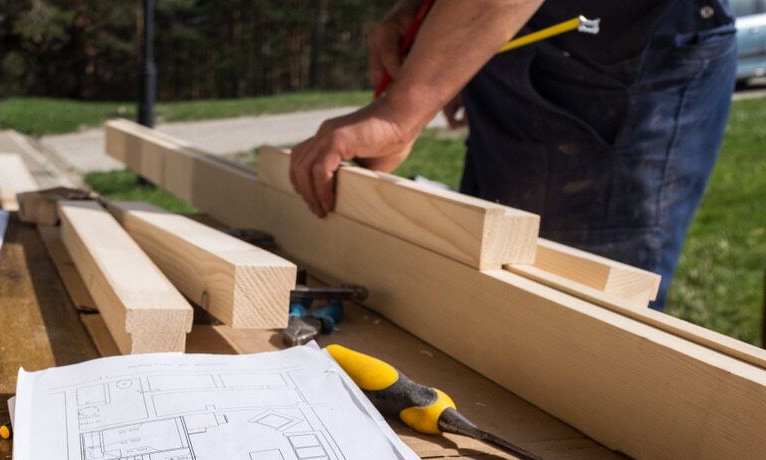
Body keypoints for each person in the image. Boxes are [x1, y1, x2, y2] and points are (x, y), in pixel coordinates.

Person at [289, 0, 737, 309]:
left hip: (621, 50)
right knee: (491, 289)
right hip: (525, 31)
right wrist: (431, 24)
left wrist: (400, 112)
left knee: (579, 323)